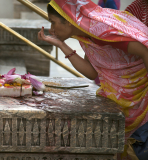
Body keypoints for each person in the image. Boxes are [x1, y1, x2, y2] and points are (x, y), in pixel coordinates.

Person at [38, 0, 148, 159]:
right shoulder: (88, 34)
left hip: (141, 95)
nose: (51, 29)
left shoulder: (102, 31)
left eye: (53, 22)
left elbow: (145, 49)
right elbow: (91, 73)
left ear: (68, 19)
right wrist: (61, 45)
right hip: (122, 97)